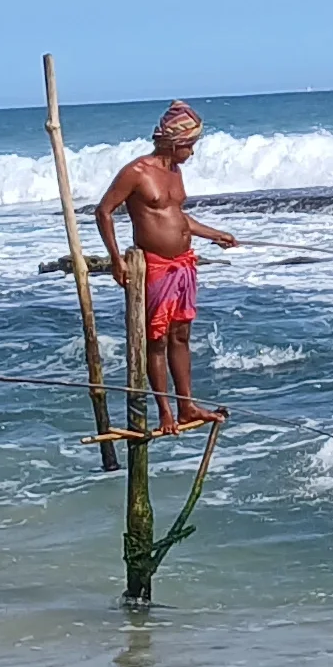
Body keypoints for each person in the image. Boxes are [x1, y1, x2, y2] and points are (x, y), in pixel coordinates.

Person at [95, 104, 239, 432]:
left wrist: (214, 234)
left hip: (183, 264)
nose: (192, 151)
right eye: (190, 144)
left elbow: (175, 217)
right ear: (173, 142)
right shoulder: (137, 172)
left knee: (181, 335)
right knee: (156, 339)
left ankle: (186, 405)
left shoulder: (175, 170)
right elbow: (103, 212)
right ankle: (164, 410)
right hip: (156, 265)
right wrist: (117, 260)